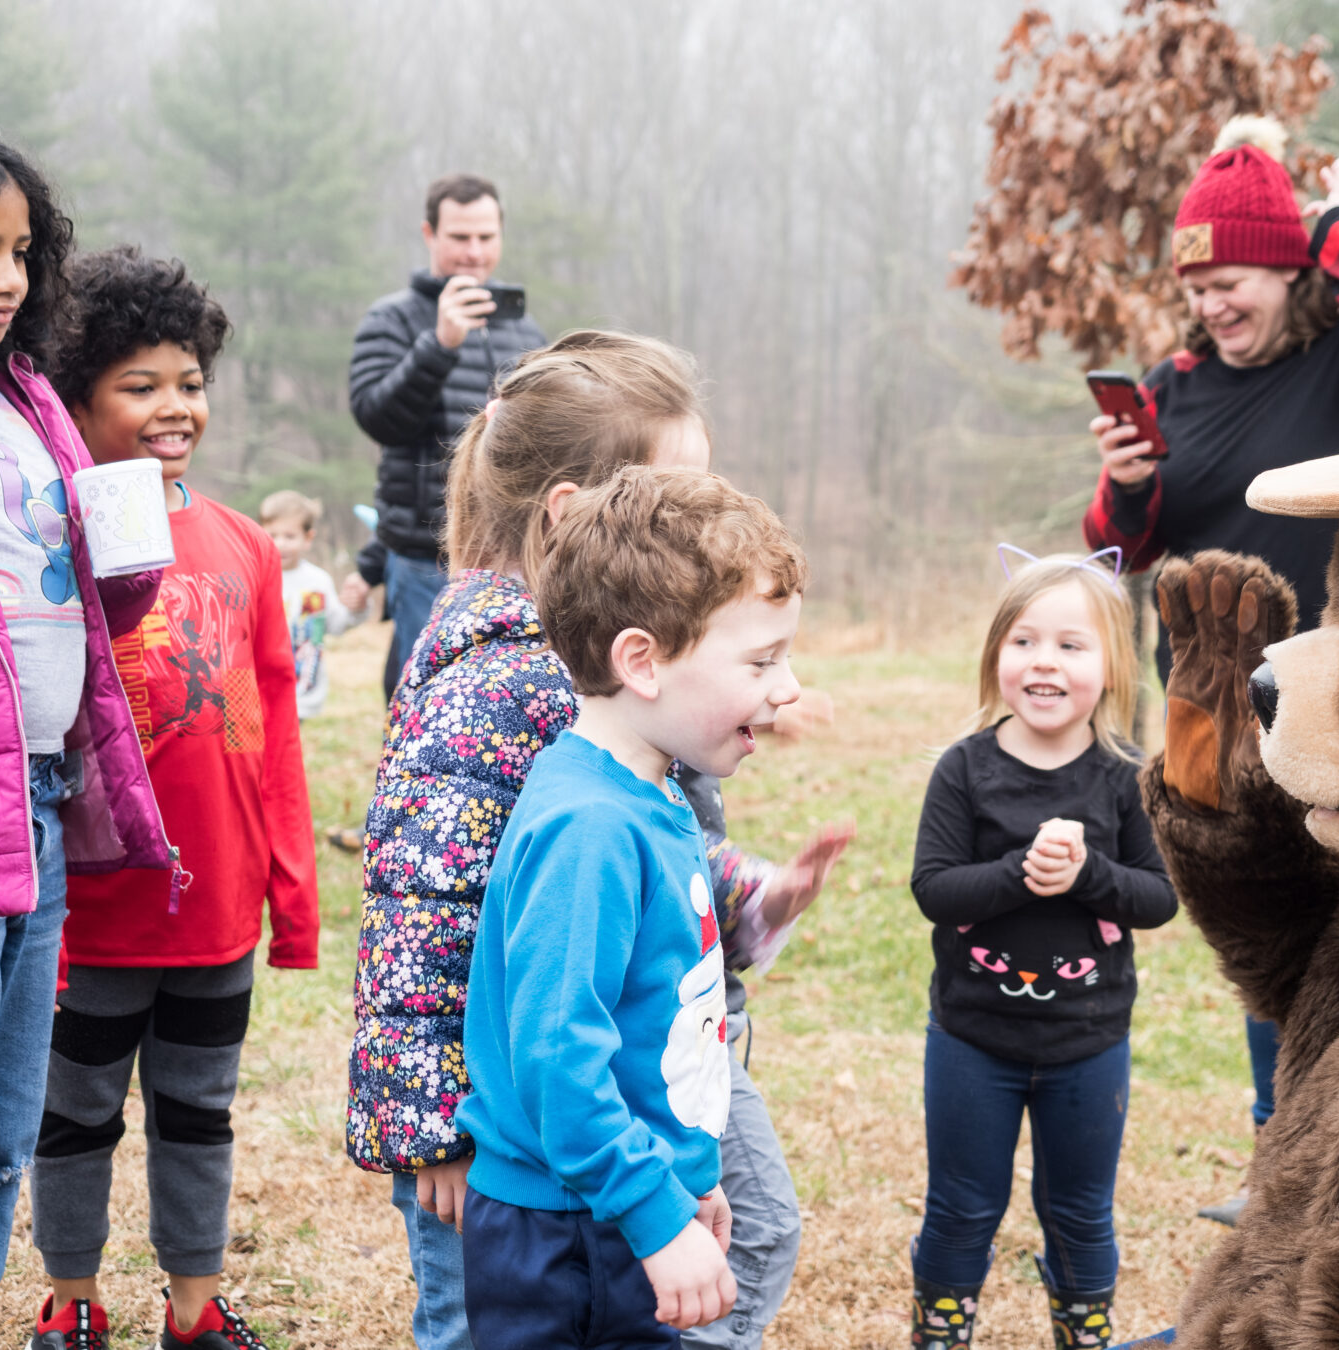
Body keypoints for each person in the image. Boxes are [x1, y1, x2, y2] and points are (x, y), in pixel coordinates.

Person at [347, 331, 848, 1350]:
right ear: (576, 518)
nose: (702, 518)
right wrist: (434, 1125)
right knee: (470, 1320)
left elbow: (648, 872)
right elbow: (423, 913)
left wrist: (749, 901)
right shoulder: (502, 687)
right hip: (511, 1138)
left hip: (629, 1088)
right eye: (674, 493)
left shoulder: (618, 694)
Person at [1082, 118, 1339, 1226]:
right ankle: (1279, 1152)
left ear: (1288, 268)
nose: (1210, 306)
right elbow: (1122, 545)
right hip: (1206, 706)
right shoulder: (1173, 388)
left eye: (1230, 280)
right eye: (1196, 288)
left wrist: (1330, 219)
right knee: (1258, 919)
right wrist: (1129, 482)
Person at [29, 246, 318, 1350]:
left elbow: (276, 734)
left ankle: (192, 1308)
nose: (173, 406)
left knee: (199, 1112)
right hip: (93, 912)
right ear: (77, 393)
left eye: (188, 381)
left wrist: (289, 900)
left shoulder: (245, 543)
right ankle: (71, 1300)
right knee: (75, 1118)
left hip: (214, 908)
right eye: (138, 385)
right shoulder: (49, 539)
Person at [455, 465, 807, 1347]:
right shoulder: (591, 830)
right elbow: (557, 1056)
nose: (788, 687)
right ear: (642, 661)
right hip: (568, 1232)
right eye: (761, 661)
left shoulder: (651, 796)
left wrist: (688, 1172)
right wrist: (653, 1216)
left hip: (620, 1198)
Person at [0, 110, 169, 1350]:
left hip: (41, 794)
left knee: (1, 1137)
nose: (8, 277)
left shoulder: (24, 396)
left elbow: (80, 597)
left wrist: (127, 546)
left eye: (22, 250)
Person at [909, 549, 1177, 1349]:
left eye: (1071, 644)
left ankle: (1084, 1335)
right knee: (961, 1205)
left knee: (1081, 1212)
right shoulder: (965, 770)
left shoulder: (1128, 778)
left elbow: (1157, 898)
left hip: (1088, 1046)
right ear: (997, 655)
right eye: (1024, 641)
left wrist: (1089, 873)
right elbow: (935, 889)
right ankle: (941, 1333)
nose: (1044, 662)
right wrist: (1022, 875)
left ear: (1112, 665)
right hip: (972, 1039)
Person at [349, 172, 547, 701]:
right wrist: (439, 343)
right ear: (429, 234)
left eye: (486, 237)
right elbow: (376, 417)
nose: (474, 253)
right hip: (423, 555)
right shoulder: (391, 319)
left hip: (511, 554)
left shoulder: (525, 332)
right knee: (431, 700)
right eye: (460, 237)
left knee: (506, 700)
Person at [259, 489, 367, 719]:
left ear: (308, 538)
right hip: (261, 687)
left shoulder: (317, 582)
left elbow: (336, 624)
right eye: (273, 535)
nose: (280, 544)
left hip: (302, 690)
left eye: (289, 536)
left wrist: (357, 608)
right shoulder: (256, 577)